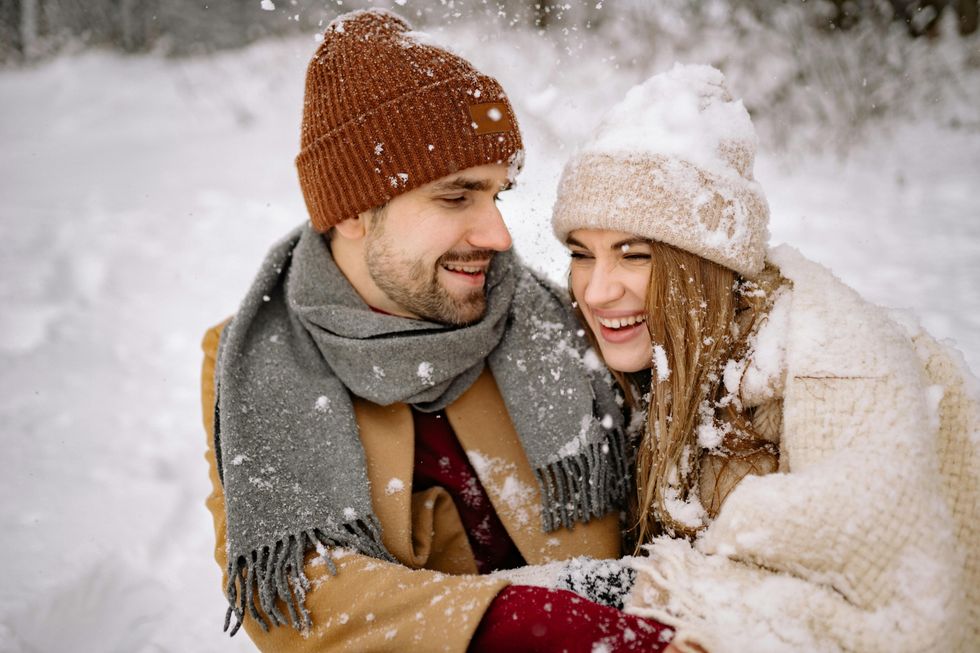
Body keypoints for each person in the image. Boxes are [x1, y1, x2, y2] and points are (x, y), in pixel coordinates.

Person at [200, 9, 676, 652]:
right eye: (456, 198)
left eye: (496, 195)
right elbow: (299, 598)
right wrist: (531, 622)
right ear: (351, 214)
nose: (499, 237)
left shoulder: (553, 318)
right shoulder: (254, 362)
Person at [551, 64, 979, 652]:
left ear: (703, 265)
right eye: (582, 254)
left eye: (635, 256)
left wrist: (669, 597)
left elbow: (896, 617)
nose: (597, 292)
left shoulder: (832, 371)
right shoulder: (647, 363)